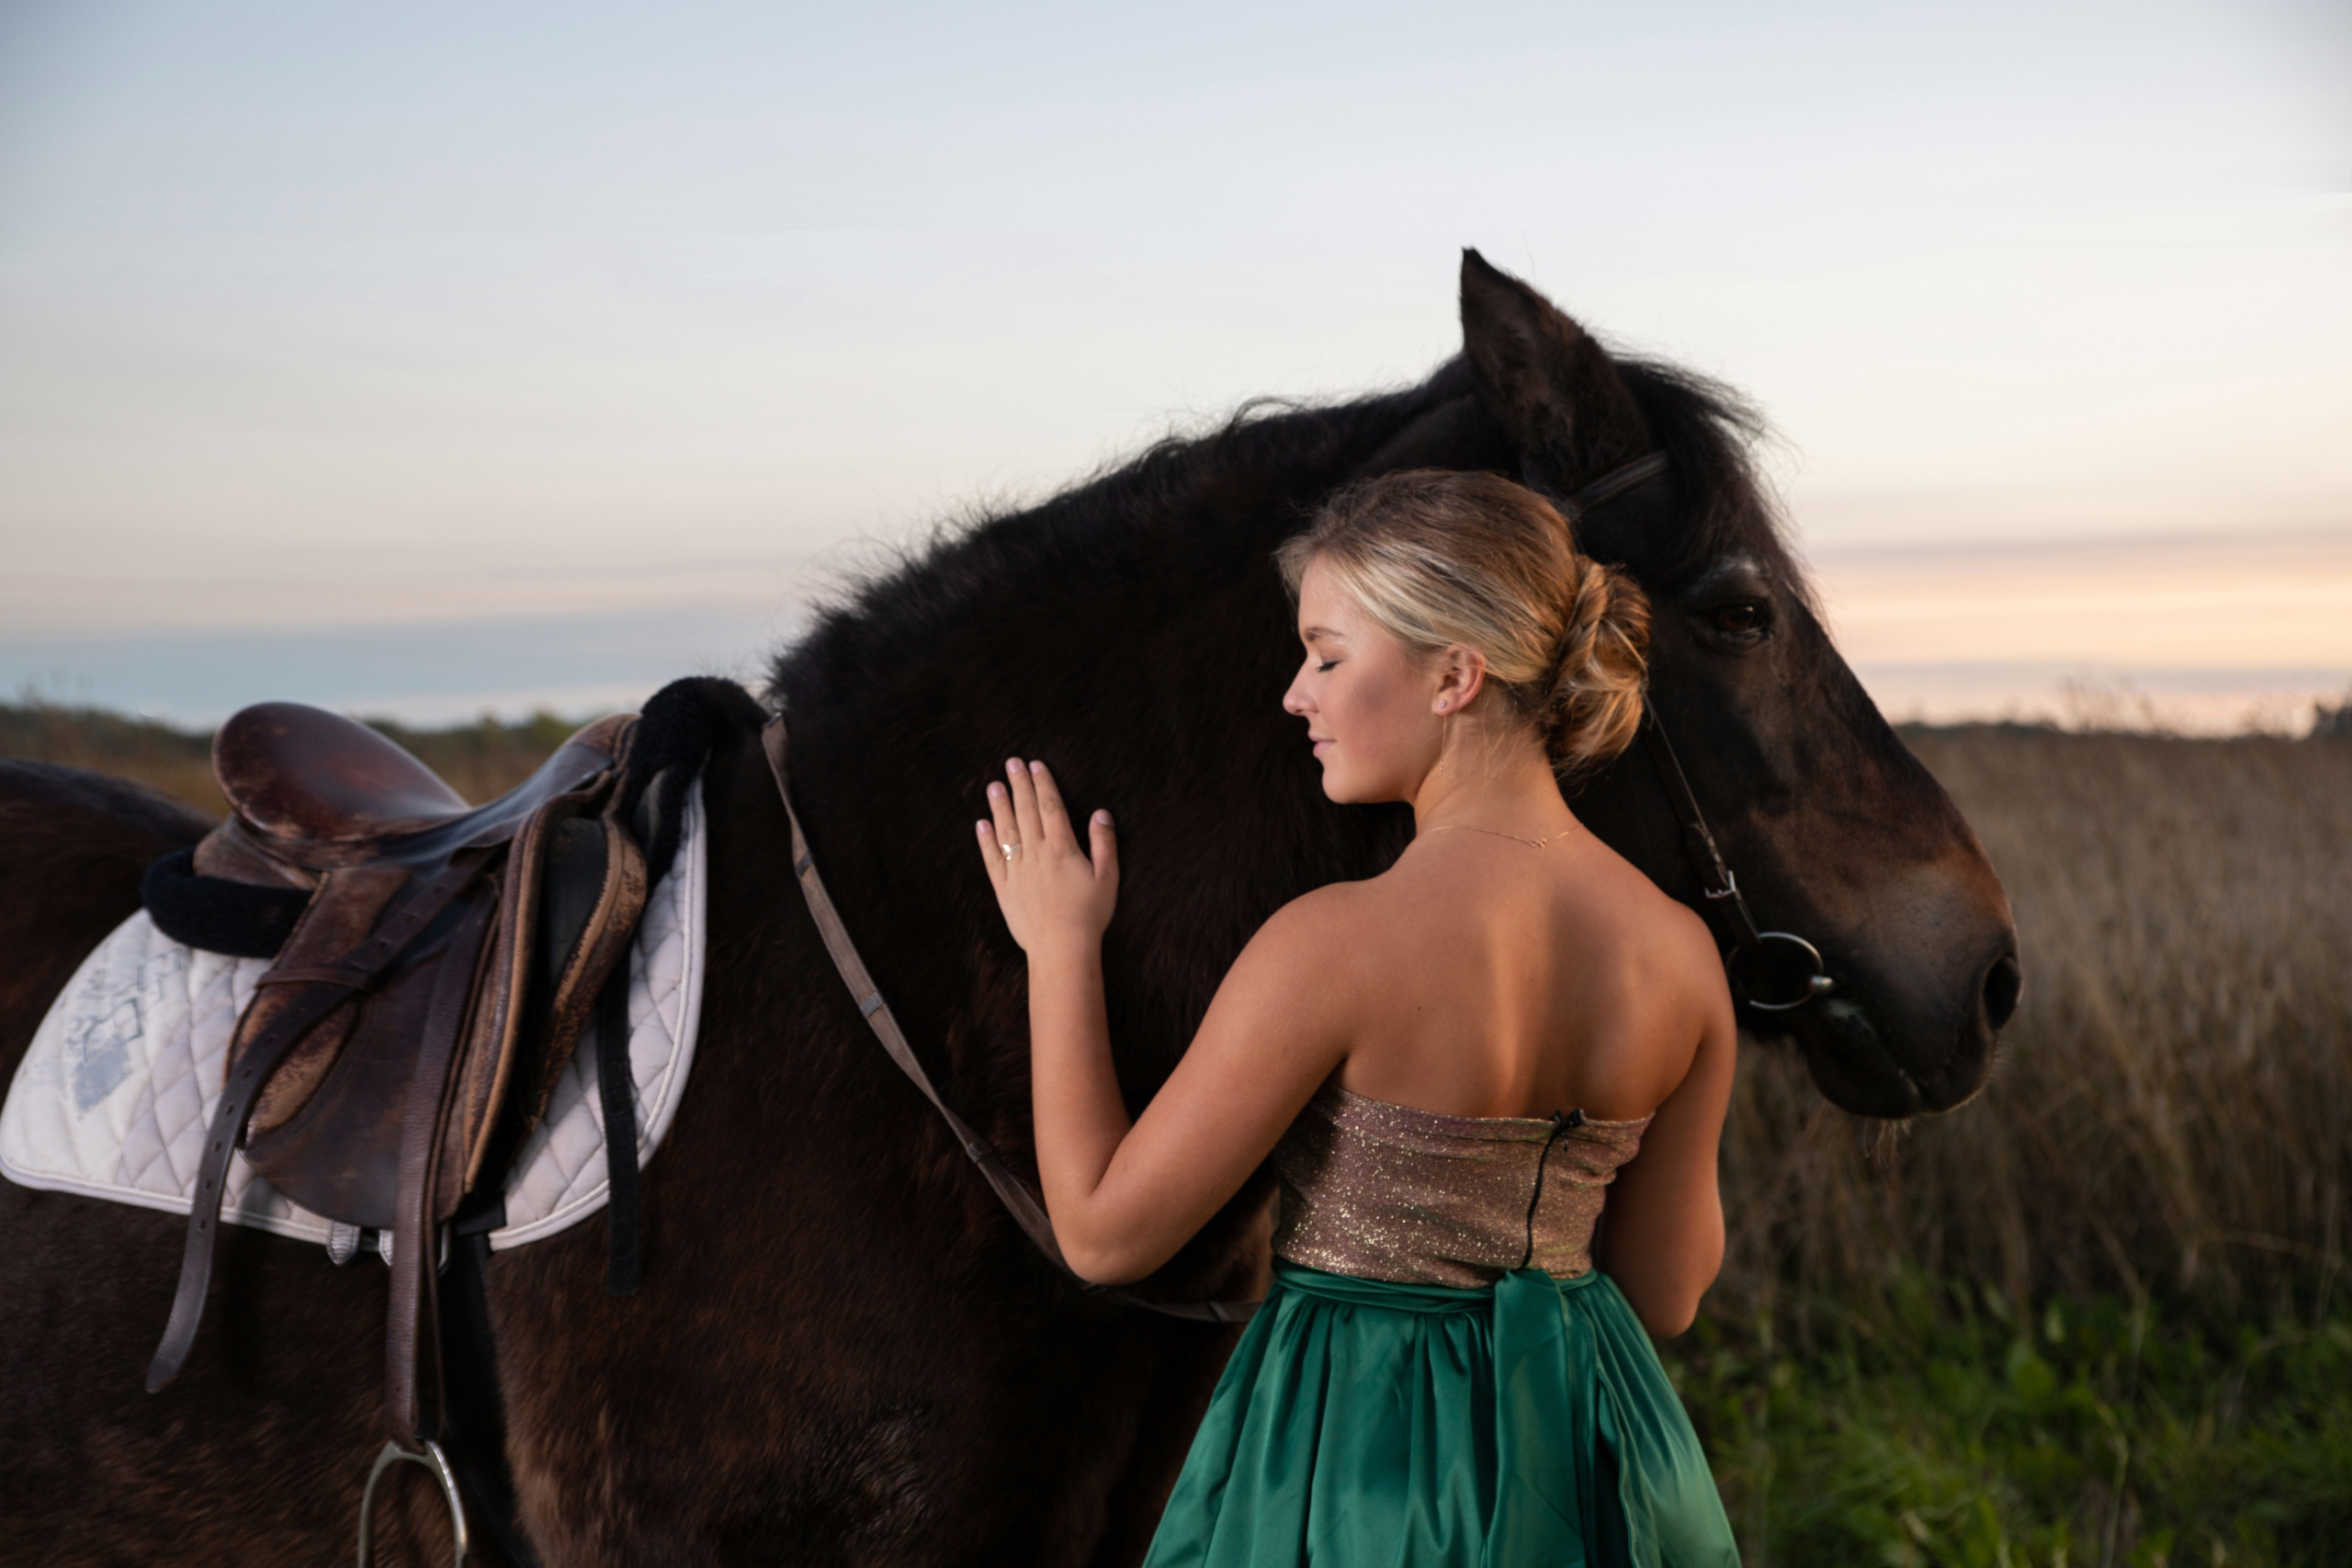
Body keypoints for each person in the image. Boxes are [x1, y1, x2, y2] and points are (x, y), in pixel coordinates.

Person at [975, 468, 1742, 1566]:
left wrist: (1058, 948)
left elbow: (1102, 1234)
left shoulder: (1333, 943)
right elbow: (1666, 1296)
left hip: (1360, 1470)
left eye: (1328, 656)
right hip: (1601, 1459)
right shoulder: (1680, 956)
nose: (1296, 694)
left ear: (1454, 675)